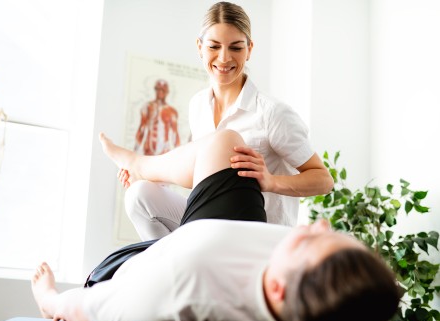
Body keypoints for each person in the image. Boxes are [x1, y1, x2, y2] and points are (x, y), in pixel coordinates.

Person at [31, 130, 400, 321]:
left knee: (144, 192)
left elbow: (84, 310)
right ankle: (139, 166)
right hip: (222, 230)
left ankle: (138, 165)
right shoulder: (318, 283)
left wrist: (49, 298)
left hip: (142, 264)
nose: (318, 225)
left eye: (311, 238)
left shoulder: (186, 282)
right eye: (332, 233)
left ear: (277, 288)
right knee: (227, 144)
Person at [121, 2, 334, 241]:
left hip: (259, 236)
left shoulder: (272, 113)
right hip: (213, 223)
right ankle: (167, 265)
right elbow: (203, 176)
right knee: (139, 195)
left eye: (236, 47)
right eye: (214, 46)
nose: (224, 58)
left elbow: (324, 180)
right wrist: (150, 176)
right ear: (199, 47)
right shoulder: (198, 105)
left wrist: (271, 181)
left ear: (249, 49)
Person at [134, 79, 180, 156]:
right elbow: (141, 128)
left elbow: (175, 134)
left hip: (164, 152)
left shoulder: (171, 111)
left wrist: (179, 154)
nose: (160, 92)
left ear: (167, 92)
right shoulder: (147, 107)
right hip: (148, 150)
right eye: (158, 89)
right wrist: (135, 150)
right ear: (155, 90)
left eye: (163, 90)